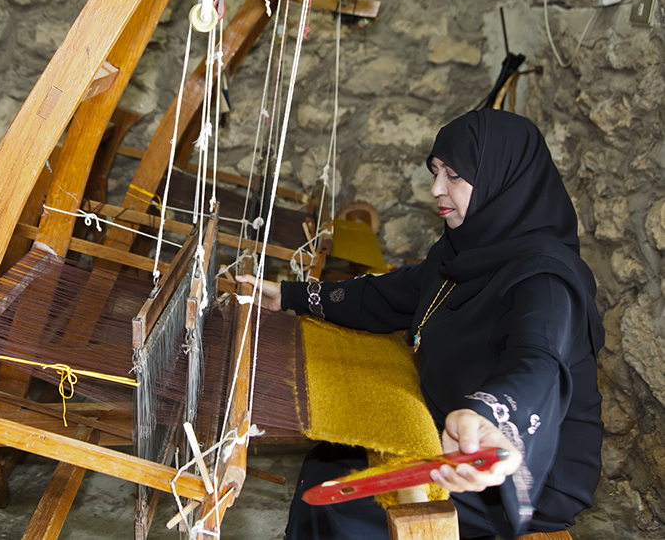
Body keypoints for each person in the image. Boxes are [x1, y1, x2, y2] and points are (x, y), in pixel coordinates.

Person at [237, 109, 604, 540]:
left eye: (454, 176)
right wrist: (291, 297)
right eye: (436, 172)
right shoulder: (463, 251)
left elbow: (537, 359)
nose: (436, 189)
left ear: (501, 179)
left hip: (511, 462)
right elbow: (390, 293)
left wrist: (489, 417)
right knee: (328, 464)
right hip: (449, 424)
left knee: (345, 507)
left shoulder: (545, 279)